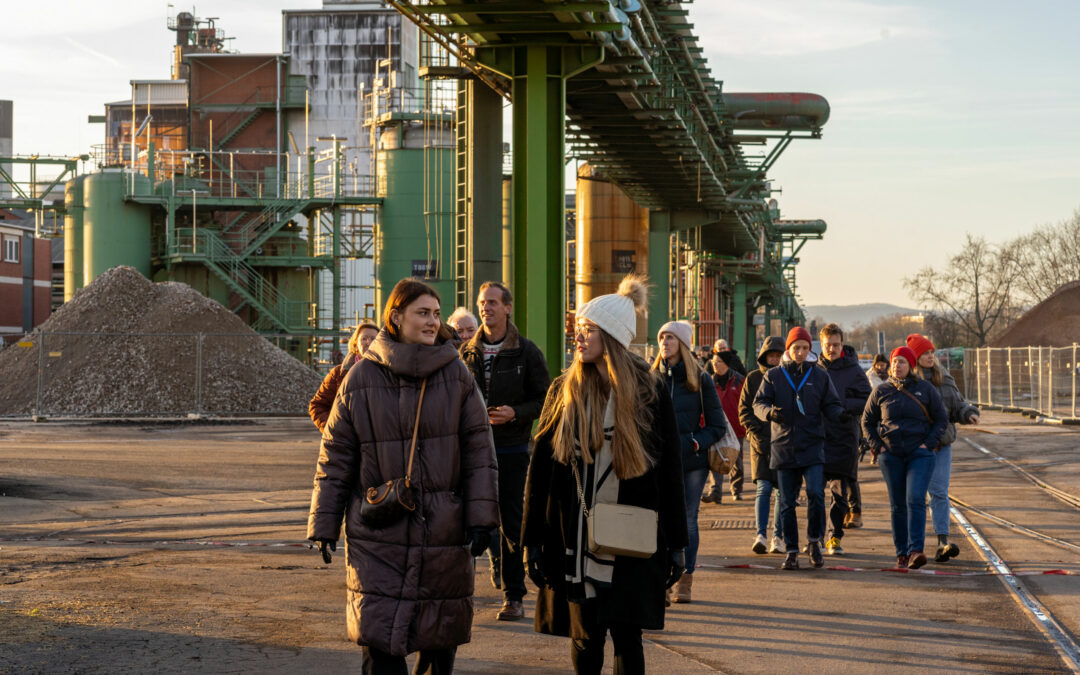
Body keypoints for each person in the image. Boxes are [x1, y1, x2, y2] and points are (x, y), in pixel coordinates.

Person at [307, 278, 499, 674]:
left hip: (444, 534)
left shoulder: (457, 377)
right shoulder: (359, 380)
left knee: (438, 645)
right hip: (378, 537)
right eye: (422, 313)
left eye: (436, 313)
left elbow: (481, 453)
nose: (433, 322)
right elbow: (335, 458)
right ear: (396, 317)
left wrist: (481, 520)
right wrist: (324, 523)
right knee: (380, 650)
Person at [522, 275, 687, 675]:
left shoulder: (649, 392)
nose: (578, 337)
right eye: (577, 329)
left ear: (612, 336)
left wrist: (677, 545)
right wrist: (531, 541)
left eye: (588, 330)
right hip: (574, 537)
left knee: (628, 636)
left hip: (633, 538)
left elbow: (670, 472)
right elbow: (540, 469)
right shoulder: (564, 389)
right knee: (585, 635)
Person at [459, 281, 551, 621]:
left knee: (512, 525)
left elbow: (545, 398)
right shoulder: (466, 353)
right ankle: (457, 592)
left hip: (512, 450)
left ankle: (514, 596)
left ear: (508, 308)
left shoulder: (525, 352)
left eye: (493, 302)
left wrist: (517, 412)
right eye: (483, 302)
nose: (486, 308)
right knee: (466, 521)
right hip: (473, 451)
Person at [753, 326, 847, 570]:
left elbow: (832, 403)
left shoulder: (819, 376)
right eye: (796, 348)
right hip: (783, 446)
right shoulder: (774, 376)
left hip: (812, 445)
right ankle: (792, 550)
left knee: (816, 494)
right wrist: (769, 413)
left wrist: (841, 415)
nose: (801, 352)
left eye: (805, 348)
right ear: (789, 349)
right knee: (786, 501)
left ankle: (814, 542)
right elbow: (758, 403)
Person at [651, 320, 726, 603]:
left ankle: (686, 578)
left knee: (688, 521)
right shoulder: (652, 377)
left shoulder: (700, 379)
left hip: (691, 462)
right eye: (662, 337)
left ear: (682, 344)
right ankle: (662, 581)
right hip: (659, 462)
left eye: (671, 338)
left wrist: (694, 443)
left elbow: (717, 426)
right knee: (658, 521)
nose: (665, 342)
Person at [861, 346, 947, 569]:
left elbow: (941, 419)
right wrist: (877, 447)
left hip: (920, 454)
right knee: (898, 505)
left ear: (910, 366)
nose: (897, 366)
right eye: (895, 362)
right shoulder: (881, 391)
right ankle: (902, 552)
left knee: (915, 498)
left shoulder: (925, 389)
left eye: (902, 362)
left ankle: (915, 550)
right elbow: (867, 421)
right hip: (891, 455)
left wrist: (927, 444)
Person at [907, 333, 980, 563]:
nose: (930, 356)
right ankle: (912, 547)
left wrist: (969, 413)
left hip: (940, 446)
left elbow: (958, 405)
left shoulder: (944, 378)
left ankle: (942, 542)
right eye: (925, 353)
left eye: (932, 352)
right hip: (916, 447)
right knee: (915, 497)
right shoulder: (908, 382)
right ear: (915, 357)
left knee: (939, 493)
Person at [817, 324, 871, 556]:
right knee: (815, 493)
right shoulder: (813, 369)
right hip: (817, 438)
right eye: (828, 345)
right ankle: (816, 536)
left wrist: (842, 407)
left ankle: (834, 537)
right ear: (821, 345)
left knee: (839, 493)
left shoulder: (855, 371)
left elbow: (868, 400)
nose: (832, 349)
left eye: (836, 345)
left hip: (844, 438)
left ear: (842, 345)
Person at [738, 336, 786, 554]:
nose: (774, 360)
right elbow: (744, 410)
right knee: (764, 488)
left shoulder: (789, 378)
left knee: (781, 492)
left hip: (784, 442)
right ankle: (760, 535)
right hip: (760, 442)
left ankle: (778, 536)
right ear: (764, 356)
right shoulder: (753, 378)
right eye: (771, 356)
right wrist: (755, 432)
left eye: (778, 356)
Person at [308, 322, 379, 433]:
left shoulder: (388, 372)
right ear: (355, 344)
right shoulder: (339, 373)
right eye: (364, 339)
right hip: (346, 445)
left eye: (373, 339)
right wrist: (332, 430)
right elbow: (317, 406)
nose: (368, 342)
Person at [701, 346, 747, 502]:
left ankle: (737, 488)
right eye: (713, 361)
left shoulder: (740, 380)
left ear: (726, 363)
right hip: (715, 426)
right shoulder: (708, 381)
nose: (715, 364)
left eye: (718, 361)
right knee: (716, 457)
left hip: (736, 426)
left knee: (737, 461)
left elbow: (746, 403)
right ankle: (716, 492)